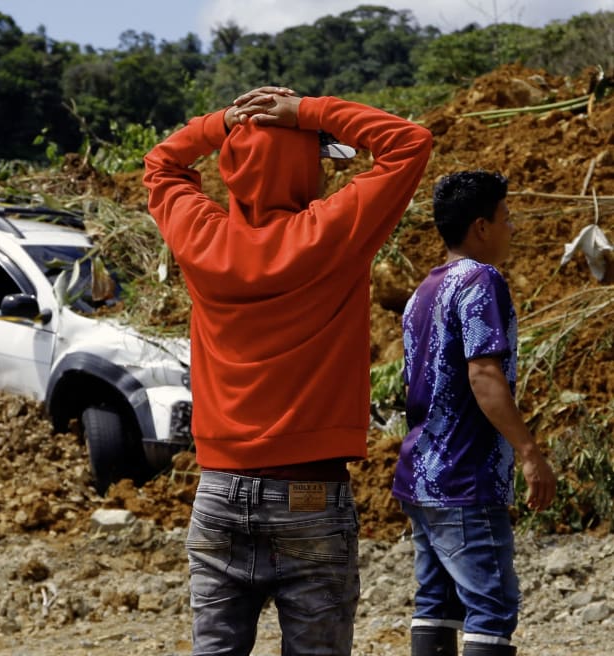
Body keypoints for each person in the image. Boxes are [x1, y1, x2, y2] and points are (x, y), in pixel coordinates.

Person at [142, 86, 432, 655]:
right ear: (306, 165)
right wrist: (307, 111)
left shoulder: (202, 237)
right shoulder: (330, 234)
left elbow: (161, 163)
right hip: (310, 494)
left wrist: (222, 122)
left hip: (220, 491)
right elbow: (408, 143)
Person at [393, 170, 558, 656]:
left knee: (436, 603)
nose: (513, 229)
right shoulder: (481, 281)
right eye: (507, 219)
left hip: (421, 476)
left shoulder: (423, 292)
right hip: (466, 478)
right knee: (491, 606)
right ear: (481, 227)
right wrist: (529, 452)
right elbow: (483, 374)